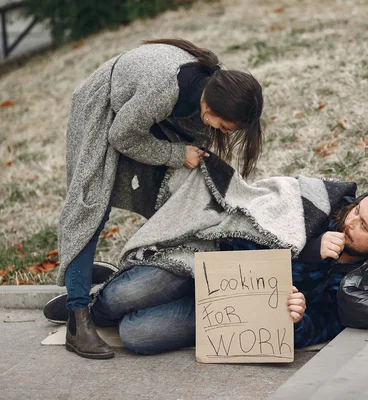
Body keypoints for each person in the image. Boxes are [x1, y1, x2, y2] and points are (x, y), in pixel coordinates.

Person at [53, 38, 264, 359]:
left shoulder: (214, 86)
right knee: (90, 208)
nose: (224, 132)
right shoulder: (163, 90)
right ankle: (77, 318)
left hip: (142, 114)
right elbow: (121, 135)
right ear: (211, 108)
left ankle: (133, 276)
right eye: (224, 125)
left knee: (173, 188)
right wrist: (175, 153)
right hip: (101, 107)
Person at [71, 184, 368, 354]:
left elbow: (324, 325)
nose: (350, 221)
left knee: (136, 336)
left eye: (365, 226)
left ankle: (119, 299)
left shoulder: (358, 282)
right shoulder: (323, 207)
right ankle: (91, 304)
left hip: (234, 310)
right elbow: (245, 227)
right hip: (205, 263)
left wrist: (297, 318)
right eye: (357, 211)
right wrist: (306, 252)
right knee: (122, 296)